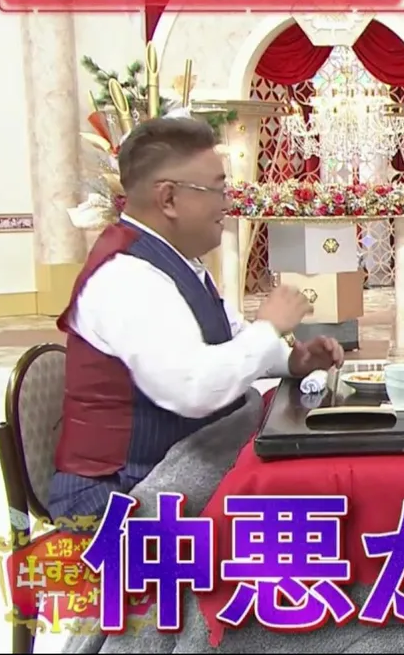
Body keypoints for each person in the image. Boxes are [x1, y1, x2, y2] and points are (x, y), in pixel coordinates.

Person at [49, 117, 344, 523]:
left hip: (174, 466)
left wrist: (294, 360)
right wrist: (269, 327)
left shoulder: (177, 261)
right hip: (121, 499)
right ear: (168, 198)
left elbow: (230, 339)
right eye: (217, 190)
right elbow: (195, 389)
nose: (226, 204)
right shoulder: (126, 278)